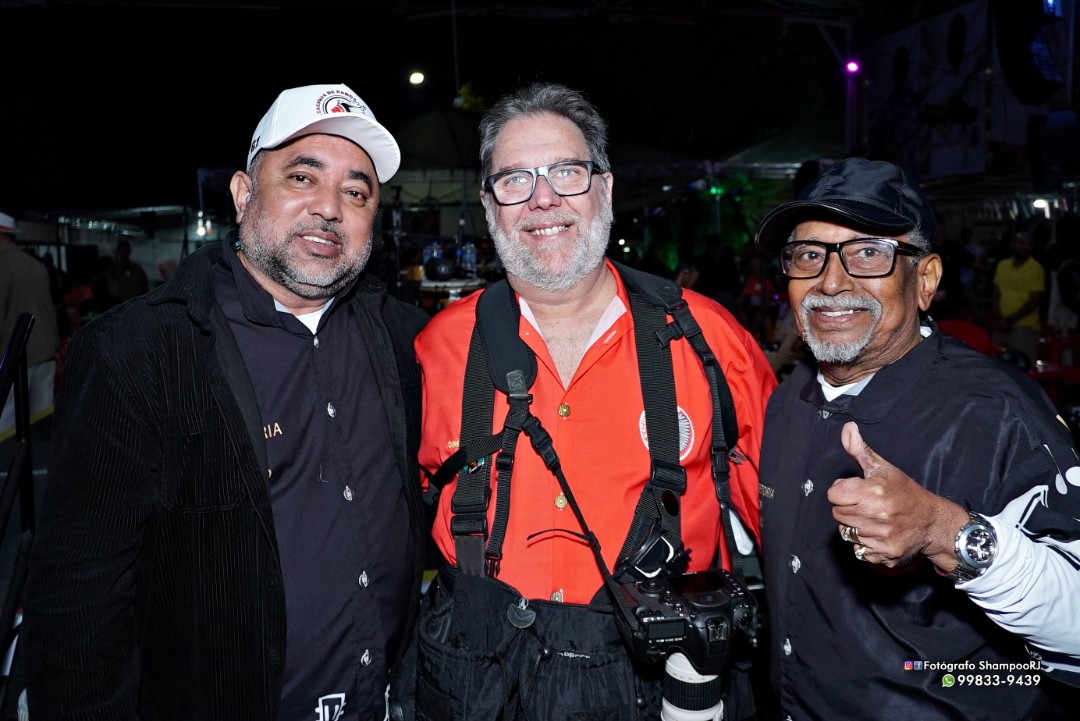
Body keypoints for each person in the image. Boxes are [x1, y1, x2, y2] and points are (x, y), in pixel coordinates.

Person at [23, 83, 430, 720]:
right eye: (302, 177)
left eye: (356, 192)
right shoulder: (140, 350)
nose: (329, 208)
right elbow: (79, 598)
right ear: (243, 194)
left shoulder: (405, 339)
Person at [409, 82, 777, 721]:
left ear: (604, 187)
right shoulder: (437, 347)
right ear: (490, 207)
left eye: (566, 172)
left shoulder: (709, 339)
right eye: (515, 179)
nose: (542, 198)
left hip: (667, 684)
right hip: (481, 686)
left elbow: (790, 529)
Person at [753, 157, 1080, 721]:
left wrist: (943, 531)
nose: (831, 281)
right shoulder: (788, 400)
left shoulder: (997, 412)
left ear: (924, 280)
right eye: (808, 255)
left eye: (868, 253)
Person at [0, 210, 60, 436]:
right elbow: (48, 309)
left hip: (12, 357)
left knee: (5, 421)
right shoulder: (36, 266)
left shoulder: (2, 266)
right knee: (41, 419)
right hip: (44, 352)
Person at [992, 221, 1046, 365]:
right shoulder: (1002, 266)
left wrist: (1009, 320)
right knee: (996, 366)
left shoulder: (1036, 268)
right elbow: (996, 294)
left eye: (1029, 244)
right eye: (1021, 243)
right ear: (1012, 245)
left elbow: (1034, 300)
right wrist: (1000, 318)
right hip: (1000, 326)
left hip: (1024, 327)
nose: (1025, 247)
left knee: (1023, 367)